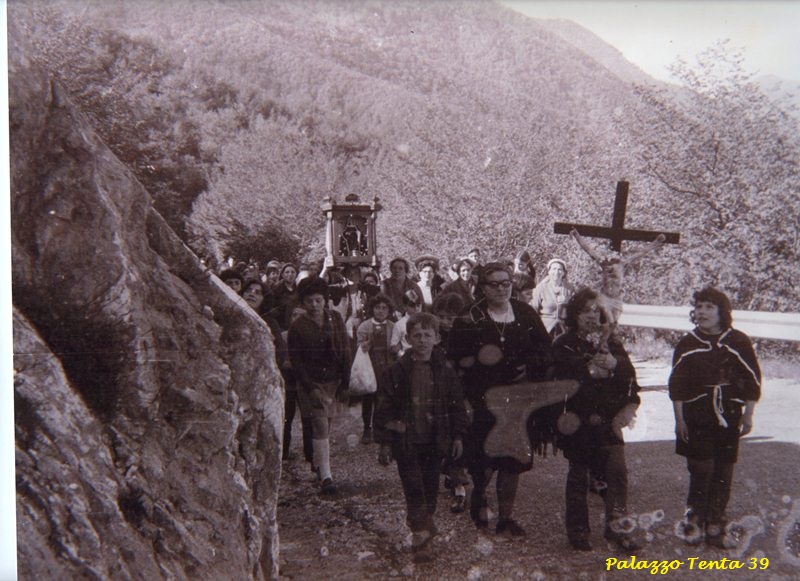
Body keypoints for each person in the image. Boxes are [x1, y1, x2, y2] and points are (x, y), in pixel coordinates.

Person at [447, 262, 552, 537]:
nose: (502, 289)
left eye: (506, 283)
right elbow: (455, 362)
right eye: (494, 284)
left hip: (517, 400)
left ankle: (505, 518)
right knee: (484, 459)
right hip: (482, 400)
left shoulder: (525, 313)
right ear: (482, 287)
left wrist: (531, 366)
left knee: (512, 461)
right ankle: (480, 497)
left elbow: (545, 348)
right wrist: (463, 401)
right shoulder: (469, 317)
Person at [669, 287, 761, 548]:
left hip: (728, 413)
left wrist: (748, 414)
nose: (702, 312)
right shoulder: (687, 343)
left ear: (722, 312)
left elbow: (752, 380)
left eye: (709, 307)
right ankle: (694, 520)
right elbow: (677, 385)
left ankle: (715, 526)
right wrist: (679, 420)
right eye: (699, 306)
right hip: (696, 414)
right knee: (701, 468)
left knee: (723, 469)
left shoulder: (738, 341)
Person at [551, 288, 641, 552]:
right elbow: (557, 381)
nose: (591, 316)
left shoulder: (610, 340)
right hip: (577, 420)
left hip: (608, 418)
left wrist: (614, 366)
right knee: (579, 475)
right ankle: (578, 531)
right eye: (584, 311)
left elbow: (630, 377)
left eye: (595, 310)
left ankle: (618, 530)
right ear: (574, 314)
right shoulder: (563, 343)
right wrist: (587, 371)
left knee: (617, 473)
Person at [375, 313, 468, 563]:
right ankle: (421, 539)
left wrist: (458, 436)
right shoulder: (396, 372)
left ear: (437, 338)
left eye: (428, 335)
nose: (423, 340)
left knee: (430, 489)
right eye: (417, 335)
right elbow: (384, 408)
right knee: (414, 489)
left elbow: (457, 406)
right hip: (406, 442)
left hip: (435, 441)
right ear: (408, 338)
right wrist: (385, 442)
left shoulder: (445, 371)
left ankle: (424, 525)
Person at [288, 276, 351, 494]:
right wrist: (310, 387)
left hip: (333, 380)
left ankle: (318, 463)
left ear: (325, 300)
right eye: (309, 301)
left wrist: (345, 382)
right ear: (302, 303)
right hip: (311, 382)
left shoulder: (335, 318)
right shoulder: (298, 327)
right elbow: (296, 362)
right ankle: (326, 477)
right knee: (320, 424)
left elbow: (345, 350)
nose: (314, 305)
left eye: (318, 300)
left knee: (326, 424)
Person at [570, 229, 666, 327]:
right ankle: (602, 328)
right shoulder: (604, 263)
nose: (610, 269)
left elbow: (641, 253)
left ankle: (607, 333)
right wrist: (577, 236)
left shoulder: (622, 265)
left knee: (613, 325)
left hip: (616, 299)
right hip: (604, 297)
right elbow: (589, 250)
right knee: (607, 319)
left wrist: (657, 242)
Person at [356, 294, 397, 444]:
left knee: (384, 399)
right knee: (368, 399)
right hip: (370, 367)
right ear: (372, 309)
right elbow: (359, 346)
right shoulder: (364, 326)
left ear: (389, 310)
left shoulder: (393, 326)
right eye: (377, 307)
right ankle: (367, 428)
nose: (380, 311)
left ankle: (381, 428)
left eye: (384, 308)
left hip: (387, 368)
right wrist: (365, 345)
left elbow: (397, 345)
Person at [530, 258, 575, 337]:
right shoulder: (541, 288)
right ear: (549, 271)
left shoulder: (569, 288)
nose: (556, 272)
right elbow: (533, 310)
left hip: (563, 330)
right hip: (545, 328)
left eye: (559, 269)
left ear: (564, 273)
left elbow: (573, 310)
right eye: (554, 269)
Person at [390, 289, 424, 358]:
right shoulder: (399, 325)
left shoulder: (426, 321)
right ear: (405, 306)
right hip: (407, 357)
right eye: (412, 305)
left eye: (418, 305)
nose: (416, 308)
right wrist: (404, 357)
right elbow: (394, 347)